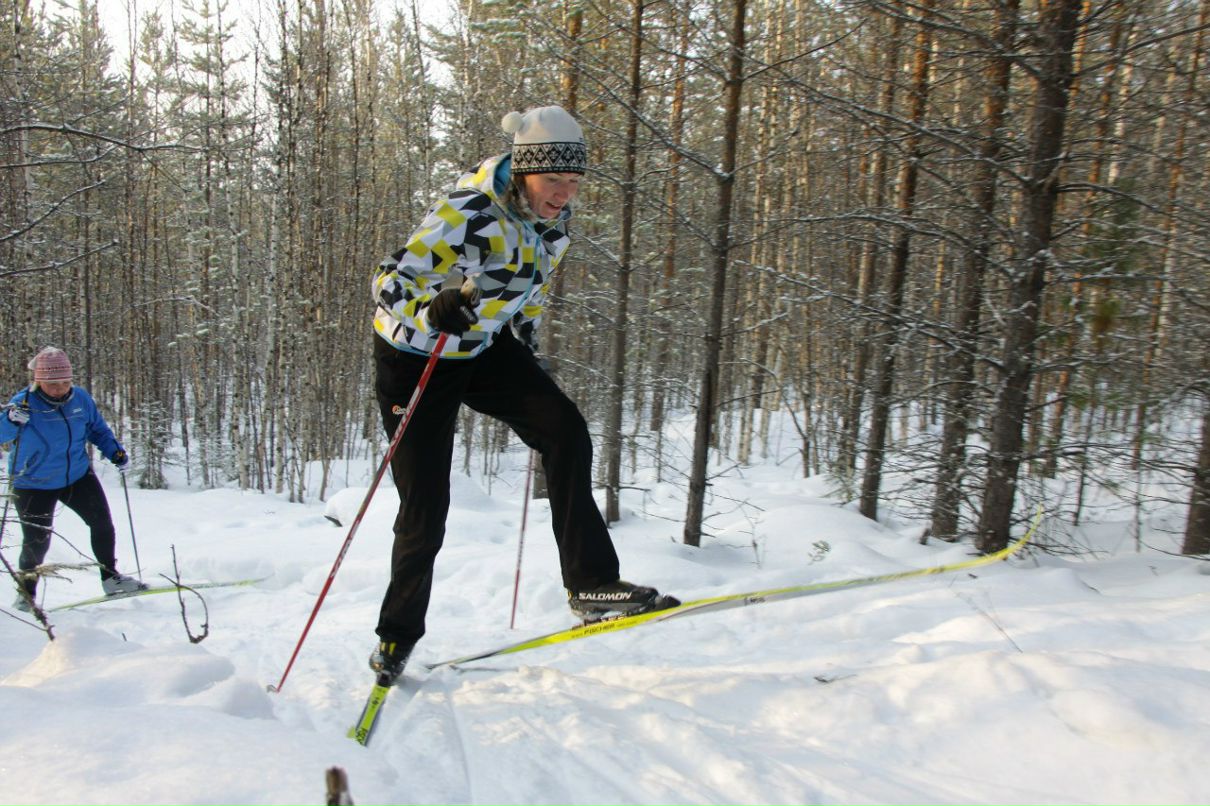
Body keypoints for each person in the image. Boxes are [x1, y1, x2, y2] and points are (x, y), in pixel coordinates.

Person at [369, 106, 675, 682]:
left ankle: (591, 586)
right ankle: (396, 637)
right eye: (554, 181)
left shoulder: (555, 225)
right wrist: (429, 310)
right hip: (417, 357)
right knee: (425, 506)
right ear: (525, 170)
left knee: (564, 431)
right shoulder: (469, 213)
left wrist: (526, 334)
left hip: (483, 347)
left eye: (574, 183)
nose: (564, 195)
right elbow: (391, 281)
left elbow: (528, 287)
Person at [1, 347, 147, 612]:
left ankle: (111, 578)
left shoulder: (80, 399)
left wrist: (114, 450)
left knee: (102, 524)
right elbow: (1, 435)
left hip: (76, 476)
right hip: (34, 482)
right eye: (52, 384)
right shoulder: (23, 403)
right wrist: (9, 421)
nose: (59, 389)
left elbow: (97, 429)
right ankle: (26, 594)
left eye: (65, 382)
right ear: (39, 381)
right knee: (36, 542)